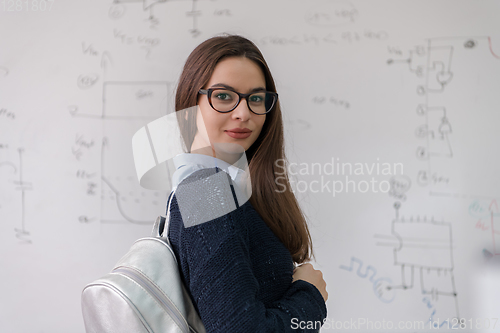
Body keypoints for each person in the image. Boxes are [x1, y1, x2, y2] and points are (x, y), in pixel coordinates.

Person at [167, 34, 328, 332]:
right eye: (224, 96)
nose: (243, 113)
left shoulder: (222, 186)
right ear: (192, 100)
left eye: (255, 98)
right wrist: (309, 296)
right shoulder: (204, 190)